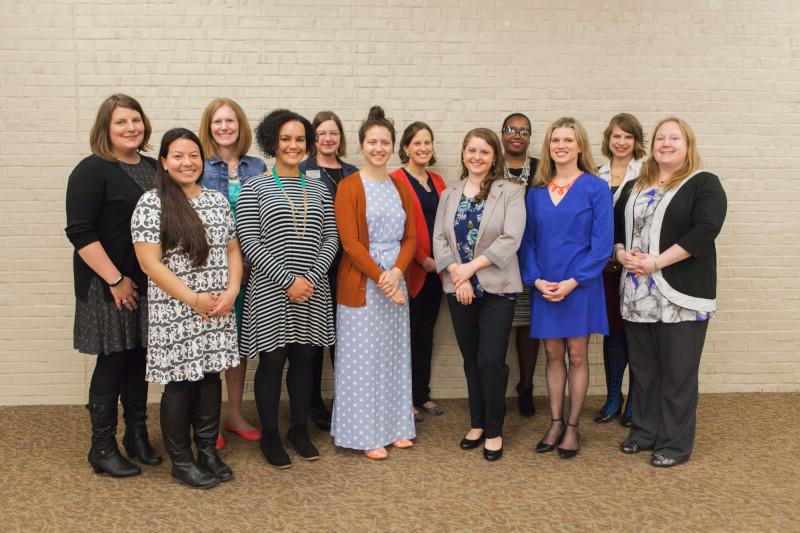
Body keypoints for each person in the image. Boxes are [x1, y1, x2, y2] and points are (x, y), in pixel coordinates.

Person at [132, 128, 242, 489]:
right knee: (180, 385)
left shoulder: (216, 200)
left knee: (210, 379)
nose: (187, 162)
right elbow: (151, 264)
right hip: (177, 310)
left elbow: (231, 249)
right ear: (164, 162)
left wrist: (232, 290)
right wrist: (193, 298)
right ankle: (181, 461)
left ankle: (207, 451)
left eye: (193, 155)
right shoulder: (151, 203)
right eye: (178, 156)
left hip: (217, 307)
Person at [615, 117, 726, 467]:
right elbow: (616, 228)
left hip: (681, 295)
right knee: (644, 371)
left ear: (687, 145)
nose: (666, 143)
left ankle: (675, 444)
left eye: (674, 138)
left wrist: (657, 262)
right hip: (637, 292)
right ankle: (645, 432)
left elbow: (705, 230)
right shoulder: (635, 184)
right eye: (661, 137)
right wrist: (621, 254)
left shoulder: (703, 183)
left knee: (678, 373)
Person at [65, 94, 161, 478]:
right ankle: (101, 447)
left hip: (146, 284)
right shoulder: (91, 170)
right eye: (121, 122)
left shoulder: (156, 168)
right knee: (113, 360)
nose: (130, 128)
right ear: (105, 127)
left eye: (135, 120)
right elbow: (80, 232)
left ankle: (136, 436)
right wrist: (116, 280)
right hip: (106, 284)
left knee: (139, 357)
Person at [237, 110, 338, 468]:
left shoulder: (319, 186)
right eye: (285, 139)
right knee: (272, 360)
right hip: (270, 289)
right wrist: (288, 280)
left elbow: (332, 236)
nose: (292, 145)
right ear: (271, 142)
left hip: (312, 288)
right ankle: (270, 435)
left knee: (305, 359)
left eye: (298, 139)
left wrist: (310, 277)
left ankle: (298, 429)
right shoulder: (255, 187)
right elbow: (249, 241)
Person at [519, 117, 613, 459]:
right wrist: (537, 279)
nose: (561, 145)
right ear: (549, 147)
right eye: (555, 140)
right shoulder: (536, 192)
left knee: (576, 354)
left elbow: (602, 245)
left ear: (579, 146)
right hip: (545, 285)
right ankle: (555, 421)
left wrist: (574, 281)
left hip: (580, 286)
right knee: (552, 354)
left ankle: (573, 427)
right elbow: (527, 243)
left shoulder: (595, 188)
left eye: (568, 140)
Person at [432, 128, 525, 462]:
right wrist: (459, 276)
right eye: (471, 150)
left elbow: (510, 239)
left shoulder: (510, 192)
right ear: (463, 153)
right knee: (471, 358)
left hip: (497, 288)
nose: (477, 157)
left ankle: (495, 430)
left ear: (494, 157)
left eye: (484, 152)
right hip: (459, 289)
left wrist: (469, 270)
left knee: (491, 361)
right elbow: (439, 238)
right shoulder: (450, 193)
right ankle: (477, 422)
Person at [331, 106, 417, 460]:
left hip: (395, 282)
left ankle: (396, 427)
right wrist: (383, 278)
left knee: (394, 359)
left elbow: (411, 236)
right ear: (362, 145)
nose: (379, 148)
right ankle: (366, 434)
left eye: (385, 142)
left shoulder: (400, 186)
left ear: (393, 146)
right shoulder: (349, 186)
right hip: (362, 286)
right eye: (372, 142)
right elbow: (350, 243)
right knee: (363, 362)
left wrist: (397, 273)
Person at [199, 97, 267, 449]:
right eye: (217, 121)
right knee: (212, 343)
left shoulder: (257, 167)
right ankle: (208, 420)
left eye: (230, 121)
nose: (224, 127)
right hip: (209, 270)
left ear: (240, 126)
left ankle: (235, 413)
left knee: (238, 344)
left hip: (251, 270)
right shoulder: (199, 164)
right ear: (209, 126)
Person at [298, 111, 358, 431]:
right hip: (315, 267)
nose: (328, 138)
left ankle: (344, 401)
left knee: (343, 340)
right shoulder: (302, 170)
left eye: (333, 133)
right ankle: (312, 404)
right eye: (321, 133)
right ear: (314, 138)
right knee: (313, 340)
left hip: (347, 268)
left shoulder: (352, 172)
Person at [390, 121, 446, 421]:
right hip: (409, 268)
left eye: (428, 142)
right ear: (406, 148)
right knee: (404, 336)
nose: (423, 148)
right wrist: (422, 258)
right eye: (417, 143)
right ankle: (403, 400)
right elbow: (396, 228)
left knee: (426, 334)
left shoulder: (437, 181)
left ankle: (421, 395)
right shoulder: (395, 180)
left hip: (437, 273)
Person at [595, 113, 646, 426]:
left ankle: (636, 400)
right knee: (613, 331)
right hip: (606, 267)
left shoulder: (647, 172)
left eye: (628, 136)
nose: (622, 142)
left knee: (636, 333)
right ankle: (614, 395)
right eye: (616, 136)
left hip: (636, 265)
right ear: (608, 139)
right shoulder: (596, 173)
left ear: (636, 141)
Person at [500, 112, 542, 417]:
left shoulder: (542, 170)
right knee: (497, 327)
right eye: (511, 129)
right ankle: (495, 388)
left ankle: (526, 386)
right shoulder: (489, 165)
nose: (517, 134)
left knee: (527, 326)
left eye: (523, 130)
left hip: (531, 257)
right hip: (496, 259)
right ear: (502, 134)